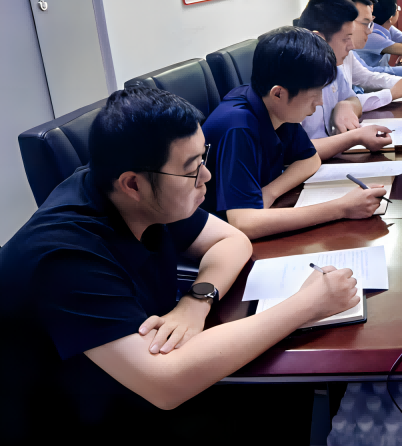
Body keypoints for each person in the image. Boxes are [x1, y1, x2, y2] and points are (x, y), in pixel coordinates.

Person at [0, 88, 363, 443]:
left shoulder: (144, 193)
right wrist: (309, 304)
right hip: (75, 415)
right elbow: (165, 384)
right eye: (192, 170)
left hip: (127, 374)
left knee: (287, 387)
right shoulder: (64, 256)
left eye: (203, 159)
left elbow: (232, 240)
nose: (206, 177)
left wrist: (196, 301)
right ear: (133, 185)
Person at [202, 27, 387, 239]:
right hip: (218, 240)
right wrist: (342, 208)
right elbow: (244, 223)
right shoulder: (238, 127)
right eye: (314, 95)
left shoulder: (277, 107)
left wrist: (271, 191)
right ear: (278, 93)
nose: (320, 102)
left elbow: (310, 159)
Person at [295, 0, 402, 157]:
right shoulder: (293, 80)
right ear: (319, 39)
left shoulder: (333, 68)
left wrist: (345, 105)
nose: (351, 46)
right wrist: (355, 137)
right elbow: (296, 152)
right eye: (346, 38)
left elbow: (352, 98)